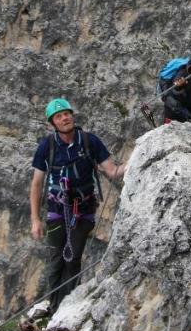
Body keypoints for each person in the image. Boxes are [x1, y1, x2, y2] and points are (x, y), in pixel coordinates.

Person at [28, 97, 125, 308]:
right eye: (59, 116)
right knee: (56, 262)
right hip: (57, 210)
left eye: (66, 114)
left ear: (72, 115)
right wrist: (35, 219)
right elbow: (37, 184)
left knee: (72, 261)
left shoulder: (90, 141)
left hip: (83, 211)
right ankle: (54, 310)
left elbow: (113, 171)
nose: (64, 118)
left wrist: (140, 154)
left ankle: (66, 309)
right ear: (52, 123)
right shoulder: (47, 146)